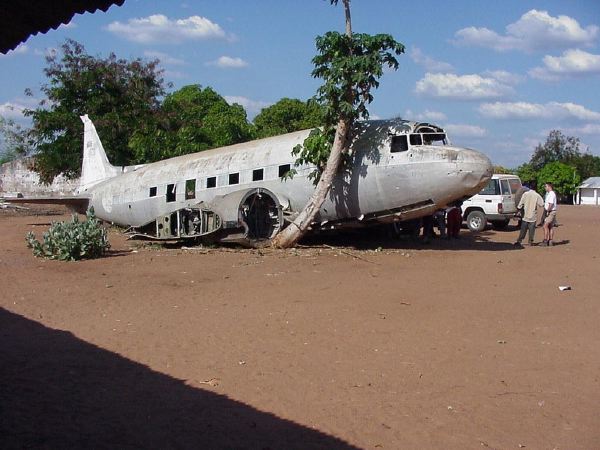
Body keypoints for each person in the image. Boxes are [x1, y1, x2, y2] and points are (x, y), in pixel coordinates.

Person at [541, 182, 558, 246]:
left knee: (545, 226)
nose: (545, 188)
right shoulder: (550, 194)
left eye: (546, 186)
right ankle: (550, 240)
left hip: (551, 211)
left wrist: (548, 211)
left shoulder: (551, 194)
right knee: (550, 226)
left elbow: (551, 204)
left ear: (549, 187)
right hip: (552, 211)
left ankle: (545, 240)